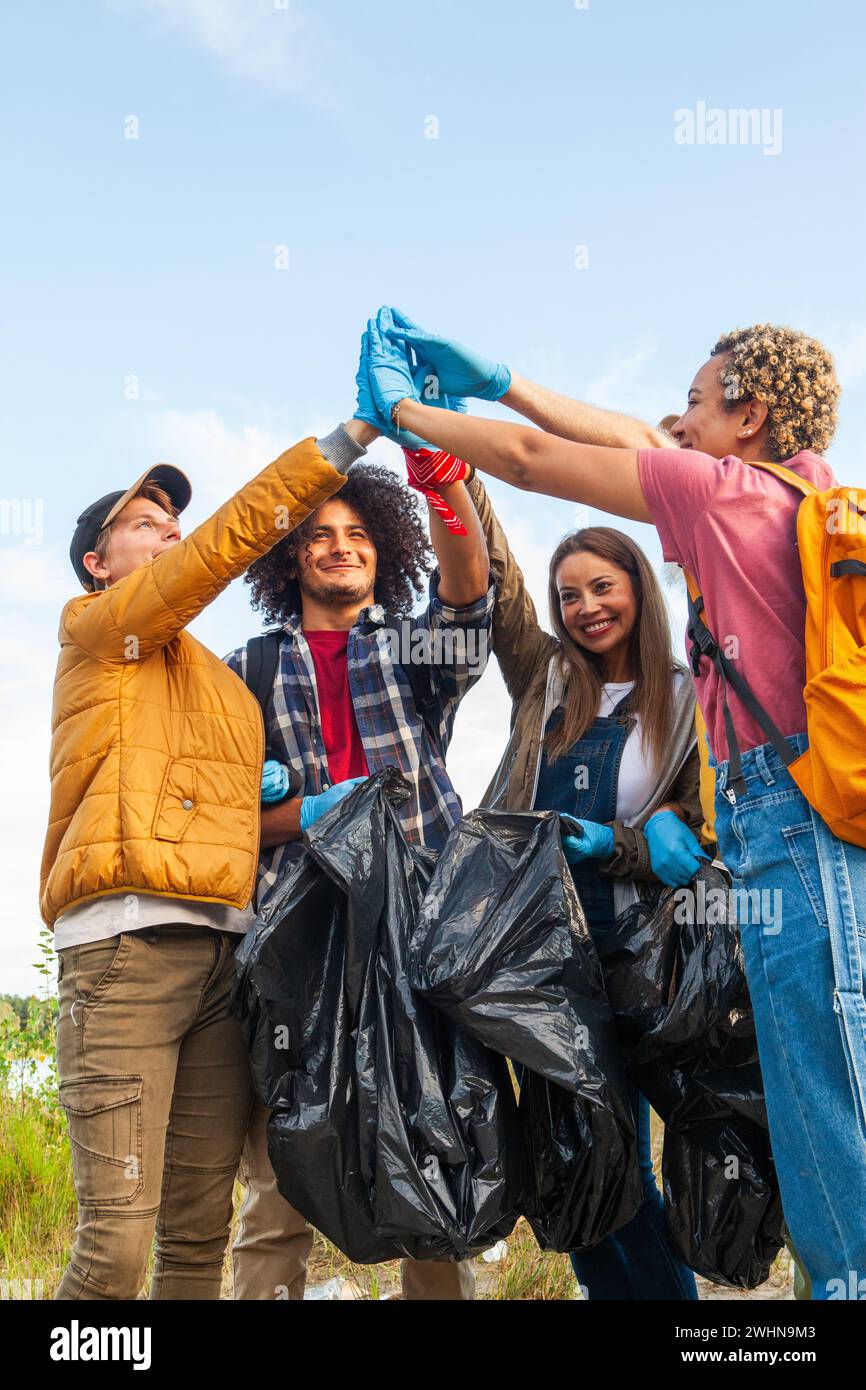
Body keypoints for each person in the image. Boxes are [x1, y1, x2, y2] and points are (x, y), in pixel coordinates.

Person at [362, 307, 866, 1300]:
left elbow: (530, 457)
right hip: (798, 822)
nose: (667, 424)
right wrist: (501, 374)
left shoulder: (718, 498)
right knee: (817, 1092)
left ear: (749, 414)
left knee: (826, 1092)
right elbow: (627, 438)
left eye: (690, 402)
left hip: (789, 816)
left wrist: (407, 410)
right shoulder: (788, 494)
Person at [43, 418, 370, 1299]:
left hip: (224, 959)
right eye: (145, 522)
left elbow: (239, 818)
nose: (171, 531)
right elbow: (215, 555)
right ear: (98, 565)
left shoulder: (221, 684)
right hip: (126, 958)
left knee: (197, 1240)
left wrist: (295, 806)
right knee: (114, 1248)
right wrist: (346, 440)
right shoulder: (98, 632)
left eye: (172, 522)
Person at [224, 387, 494, 1301]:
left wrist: (440, 471)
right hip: (297, 937)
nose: (338, 547)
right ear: (290, 558)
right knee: (281, 1159)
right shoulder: (246, 671)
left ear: (384, 553)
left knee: (426, 1141)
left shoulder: (411, 651)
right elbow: (215, 817)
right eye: (318, 535)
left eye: (358, 536)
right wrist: (304, 815)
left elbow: (467, 598)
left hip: (417, 927)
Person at [460, 465, 707, 1298]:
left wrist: (623, 842)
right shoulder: (547, 681)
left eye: (603, 586)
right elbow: (499, 591)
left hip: (640, 956)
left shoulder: (687, 695)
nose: (586, 608)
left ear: (639, 587)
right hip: (541, 958)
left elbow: (705, 837)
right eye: (569, 595)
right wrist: (453, 474)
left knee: (629, 1158)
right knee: (571, 1160)